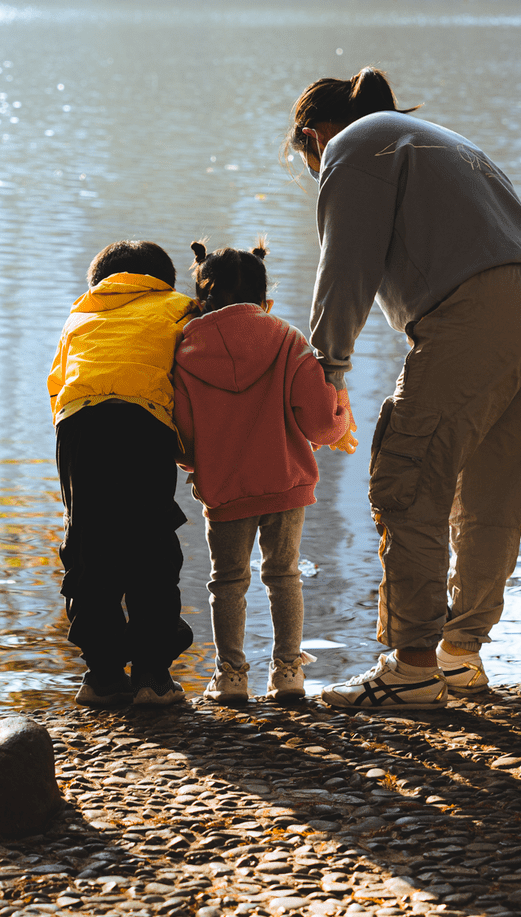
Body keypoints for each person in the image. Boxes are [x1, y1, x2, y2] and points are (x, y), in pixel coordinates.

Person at [287, 67, 521, 710]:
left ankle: (412, 665)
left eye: (308, 162)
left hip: (482, 308)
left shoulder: (350, 148)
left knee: (406, 472)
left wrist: (325, 371)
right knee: (493, 487)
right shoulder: (429, 137)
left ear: (312, 136)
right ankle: (460, 655)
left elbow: (344, 266)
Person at [173, 240, 352, 705]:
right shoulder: (288, 340)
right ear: (265, 301)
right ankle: (288, 671)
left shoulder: (186, 352)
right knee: (284, 575)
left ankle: (231, 676)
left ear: (200, 302)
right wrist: (338, 420)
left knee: (227, 581)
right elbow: (318, 421)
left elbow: (184, 436)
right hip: (286, 484)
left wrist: (201, 464)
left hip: (225, 491)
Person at [47, 239, 195, 708]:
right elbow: (194, 378)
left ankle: (103, 674)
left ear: (100, 284)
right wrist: (189, 450)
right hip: (142, 421)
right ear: (163, 281)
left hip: (78, 425)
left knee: (87, 544)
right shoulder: (179, 308)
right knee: (149, 541)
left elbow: (56, 384)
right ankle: (153, 676)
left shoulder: (79, 316)